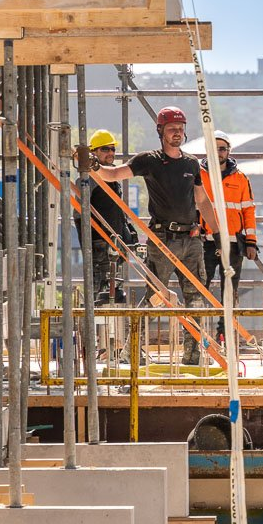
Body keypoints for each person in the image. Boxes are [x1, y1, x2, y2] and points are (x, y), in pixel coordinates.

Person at [94, 105, 218, 364]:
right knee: (155, 298)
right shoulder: (149, 161)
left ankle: (193, 355)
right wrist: (92, 167)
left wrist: (219, 235)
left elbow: (202, 201)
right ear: (161, 131)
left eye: (181, 129)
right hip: (163, 240)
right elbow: (114, 174)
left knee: (196, 300)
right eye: (172, 129)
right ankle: (132, 348)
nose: (177, 133)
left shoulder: (191, 163)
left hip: (191, 239)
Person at [201, 132, 260, 334]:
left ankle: (224, 334)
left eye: (222, 148)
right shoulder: (198, 175)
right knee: (200, 289)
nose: (218, 152)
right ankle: (197, 335)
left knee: (230, 291)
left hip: (233, 243)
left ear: (228, 151)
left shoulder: (241, 178)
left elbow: (248, 210)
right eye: (214, 148)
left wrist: (251, 242)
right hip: (205, 242)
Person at [82, 128, 136, 310]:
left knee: (113, 292)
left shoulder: (112, 176)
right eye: (105, 149)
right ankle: (93, 333)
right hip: (100, 242)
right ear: (93, 152)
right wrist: (88, 241)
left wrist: (127, 232)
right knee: (100, 292)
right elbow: (79, 211)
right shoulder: (90, 177)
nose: (111, 153)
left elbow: (115, 209)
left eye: (112, 149)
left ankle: (108, 334)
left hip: (114, 241)